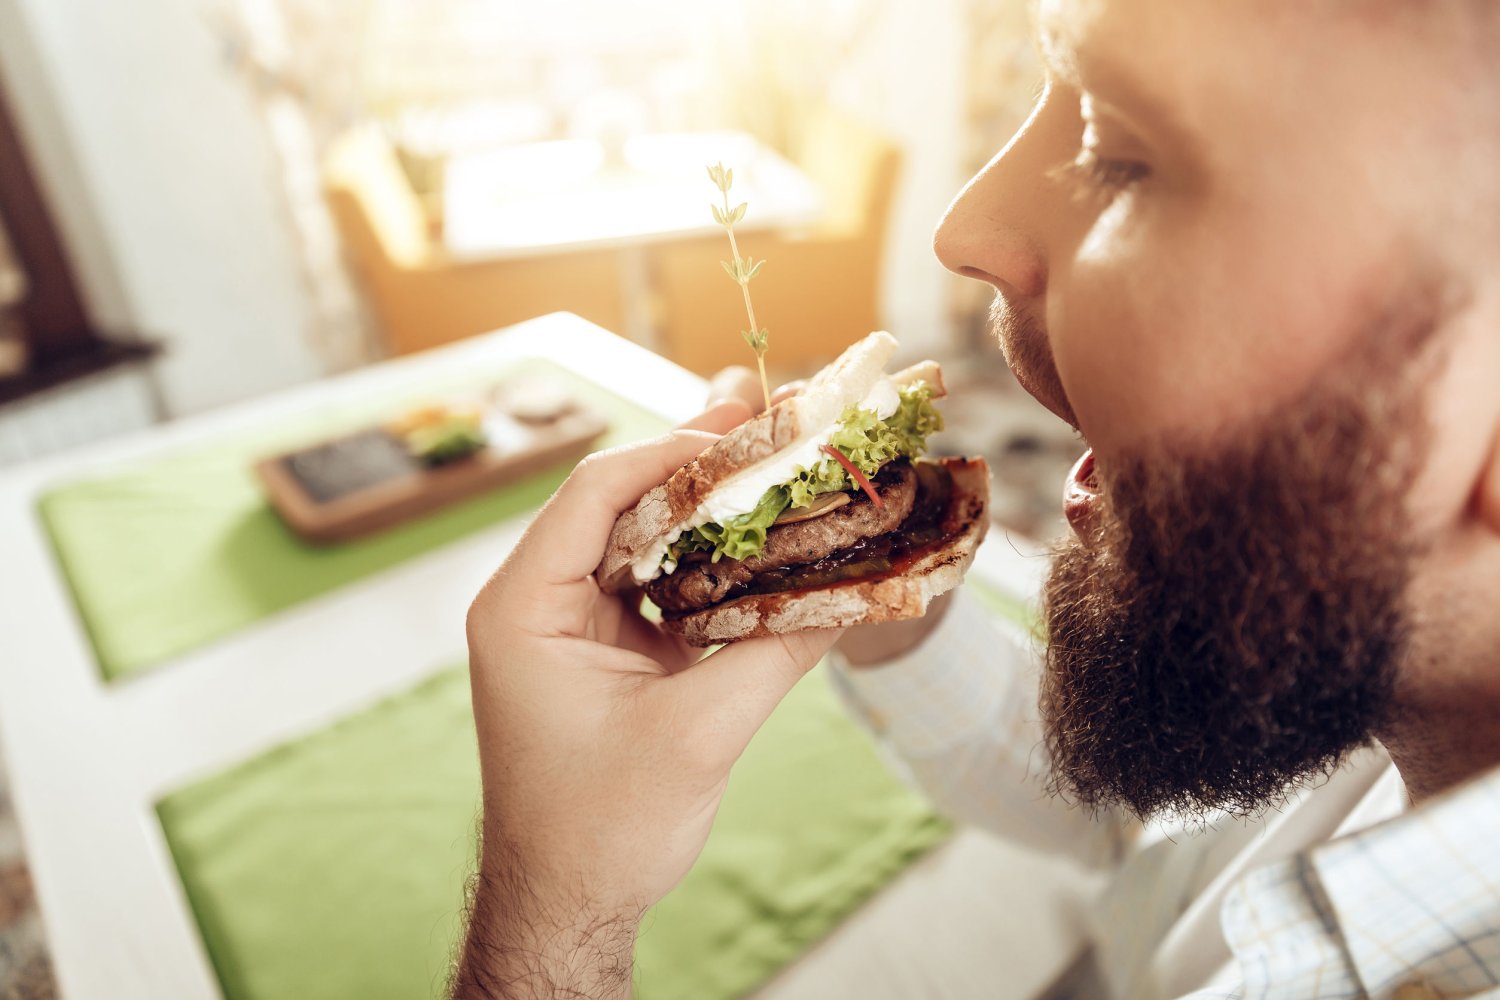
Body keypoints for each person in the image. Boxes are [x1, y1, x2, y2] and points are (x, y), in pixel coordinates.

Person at [451, 0, 1500, 997]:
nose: (963, 229)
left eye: (1118, 151)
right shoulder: (1343, 660)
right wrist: (862, 597)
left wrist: (548, 923)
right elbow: (1134, 817)